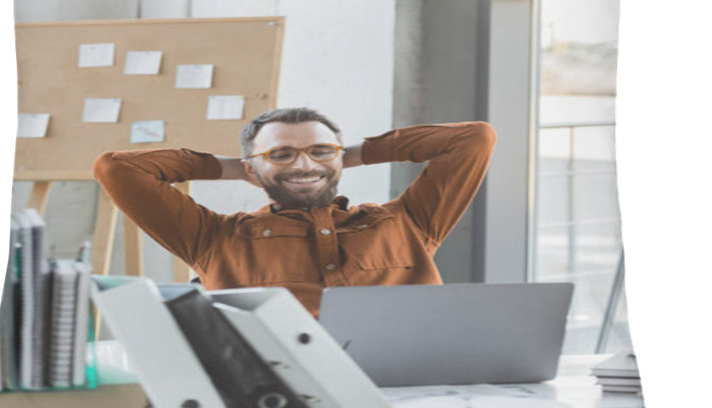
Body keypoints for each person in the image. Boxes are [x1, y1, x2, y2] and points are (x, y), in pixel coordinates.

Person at [93, 107, 496, 316]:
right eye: (281, 154)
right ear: (251, 167)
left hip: (415, 388)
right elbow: (118, 169)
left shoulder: (409, 223)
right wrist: (237, 167)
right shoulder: (215, 238)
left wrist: (348, 156)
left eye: (319, 151)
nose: (304, 166)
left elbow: (473, 139)